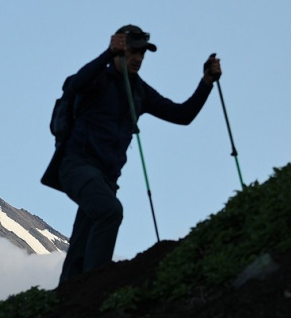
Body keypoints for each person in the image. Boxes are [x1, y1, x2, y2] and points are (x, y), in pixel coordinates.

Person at [55, 24, 222, 285]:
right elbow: (76, 84)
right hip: (76, 166)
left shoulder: (139, 91)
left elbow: (182, 115)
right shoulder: (99, 78)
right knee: (110, 212)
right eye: (133, 52)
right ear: (120, 52)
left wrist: (206, 83)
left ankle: (66, 302)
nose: (138, 59)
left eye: (142, 54)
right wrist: (107, 55)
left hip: (106, 180)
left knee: (82, 245)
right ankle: (95, 287)